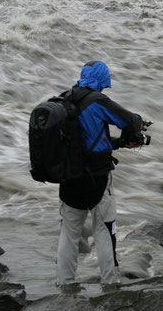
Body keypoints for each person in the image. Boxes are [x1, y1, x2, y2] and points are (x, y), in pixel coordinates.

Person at [56, 61, 143, 285]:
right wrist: (138, 129)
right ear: (101, 80)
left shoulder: (65, 99)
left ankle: (64, 284)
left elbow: (88, 140)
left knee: (68, 234)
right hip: (97, 178)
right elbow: (130, 120)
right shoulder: (98, 100)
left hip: (69, 177)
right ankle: (110, 283)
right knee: (104, 230)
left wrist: (120, 143)